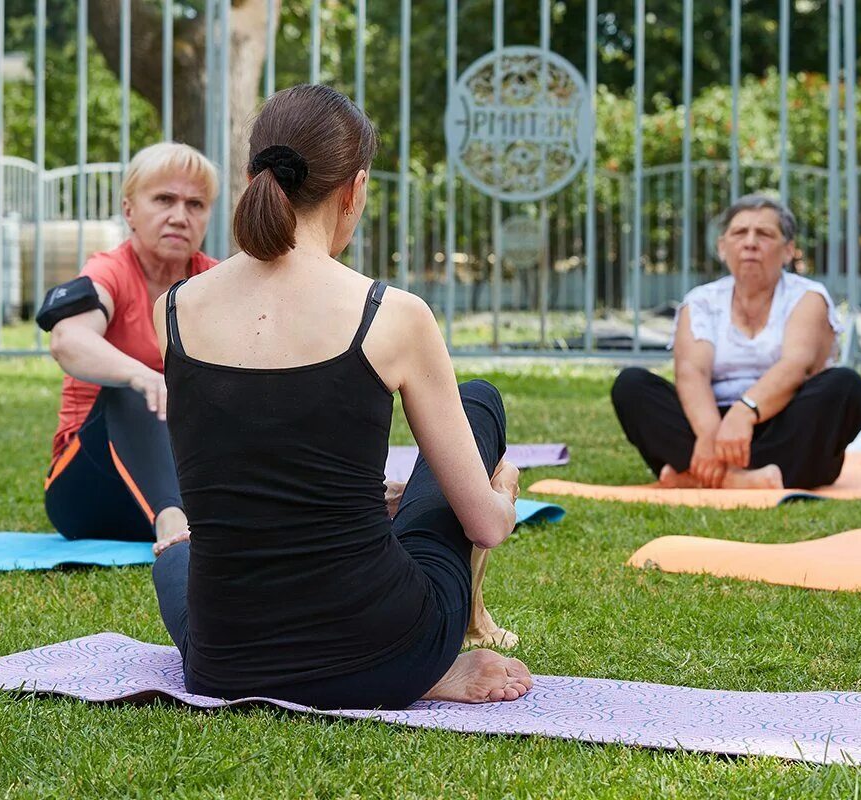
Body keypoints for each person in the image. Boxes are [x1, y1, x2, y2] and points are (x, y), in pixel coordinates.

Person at [151, 84, 532, 710]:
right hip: (386, 650)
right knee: (478, 401)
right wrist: (499, 491)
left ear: (253, 177)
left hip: (227, 663)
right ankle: (431, 670)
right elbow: (485, 526)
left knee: (176, 559)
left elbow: (253, 455)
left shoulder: (175, 308)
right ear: (353, 190)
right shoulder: (393, 315)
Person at [610, 194, 861, 490]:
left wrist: (745, 413)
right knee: (632, 385)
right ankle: (742, 479)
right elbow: (692, 373)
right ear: (722, 247)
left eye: (765, 234)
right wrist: (709, 434)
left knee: (844, 385)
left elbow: (797, 365)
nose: (750, 242)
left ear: (788, 251)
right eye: (739, 233)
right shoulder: (702, 301)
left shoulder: (808, 296)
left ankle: (699, 475)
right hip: (711, 422)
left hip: (784, 423)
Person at [39, 143, 219, 548]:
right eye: (163, 200)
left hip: (188, 473)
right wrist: (142, 376)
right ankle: (173, 527)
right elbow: (67, 340)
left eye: (195, 204)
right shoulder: (110, 271)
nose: (179, 216)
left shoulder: (214, 282)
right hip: (90, 490)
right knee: (130, 391)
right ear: (129, 210)